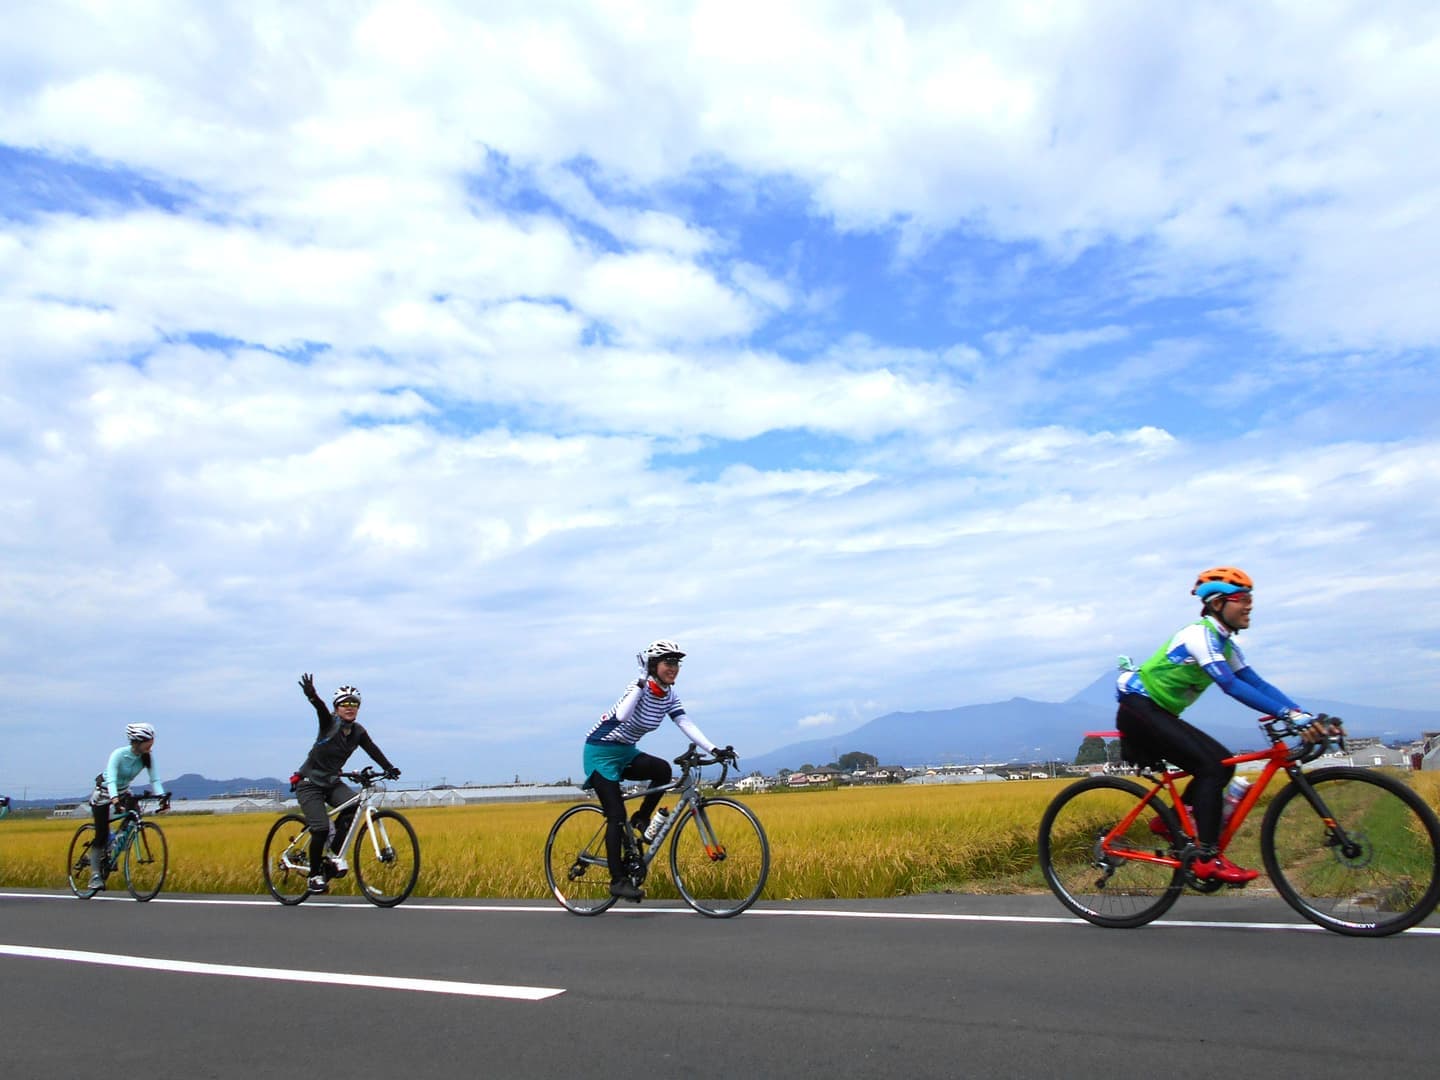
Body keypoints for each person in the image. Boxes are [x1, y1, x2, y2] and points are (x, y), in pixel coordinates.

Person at [1116, 567, 1338, 884]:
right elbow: (1230, 685)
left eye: (1251, 599)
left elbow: (1255, 683)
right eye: (1242, 599)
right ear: (1218, 603)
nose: (1250, 605)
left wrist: (1300, 713)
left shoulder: (1226, 646)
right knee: (1210, 766)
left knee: (1222, 766)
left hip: (1159, 712)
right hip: (1139, 709)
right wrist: (1289, 717)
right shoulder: (1199, 635)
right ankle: (1207, 857)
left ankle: (1172, 823)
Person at [584, 640, 737, 901]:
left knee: (663, 770)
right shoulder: (638, 687)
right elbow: (621, 716)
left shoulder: (668, 696)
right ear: (654, 665)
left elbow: (685, 722)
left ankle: (642, 818)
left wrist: (714, 750)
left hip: (626, 751)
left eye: (677, 663)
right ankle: (618, 880)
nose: (674, 668)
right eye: (669, 662)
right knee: (616, 815)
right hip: (600, 752)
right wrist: (642, 680)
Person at [295, 675, 401, 894]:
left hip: (332, 782)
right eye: (344, 704)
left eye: (354, 704)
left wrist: (389, 768)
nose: (349, 707)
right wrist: (313, 696)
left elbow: (372, 749)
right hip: (309, 784)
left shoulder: (358, 732)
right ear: (337, 708)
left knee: (353, 808)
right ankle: (314, 876)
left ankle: (332, 856)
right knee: (321, 828)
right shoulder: (329, 723)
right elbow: (321, 710)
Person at [87, 723, 168, 890]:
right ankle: (95, 876)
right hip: (104, 794)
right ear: (137, 741)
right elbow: (112, 780)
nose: (151, 745)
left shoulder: (147, 757)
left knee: (133, 821)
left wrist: (161, 797)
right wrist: (114, 799)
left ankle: (114, 849)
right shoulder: (118, 755)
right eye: (149, 742)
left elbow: (155, 780)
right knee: (101, 835)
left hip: (124, 793)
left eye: (152, 742)